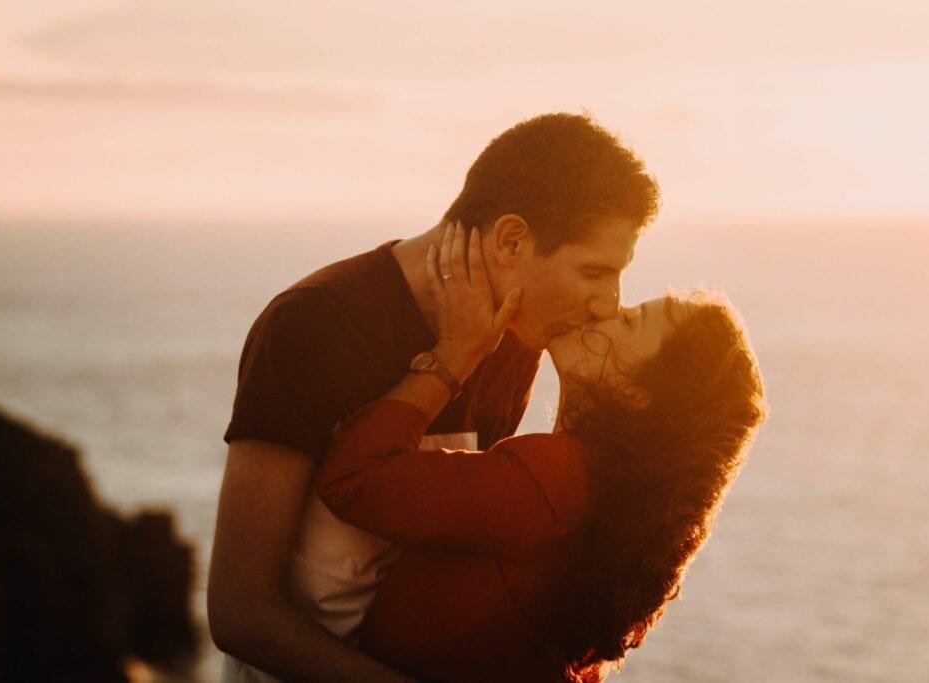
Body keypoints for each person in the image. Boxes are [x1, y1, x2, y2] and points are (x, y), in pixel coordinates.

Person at [208, 113, 660, 681]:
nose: (608, 303)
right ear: (512, 239)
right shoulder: (313, 325)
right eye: (593, 271)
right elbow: (239, 611)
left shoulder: (516, 339)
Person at [317, 225, 767, 682]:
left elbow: (353, 478)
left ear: (640, 395)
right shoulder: (612, 512)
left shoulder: (555, 479)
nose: (607, 307)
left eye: (629, 320)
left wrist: (452, 356)